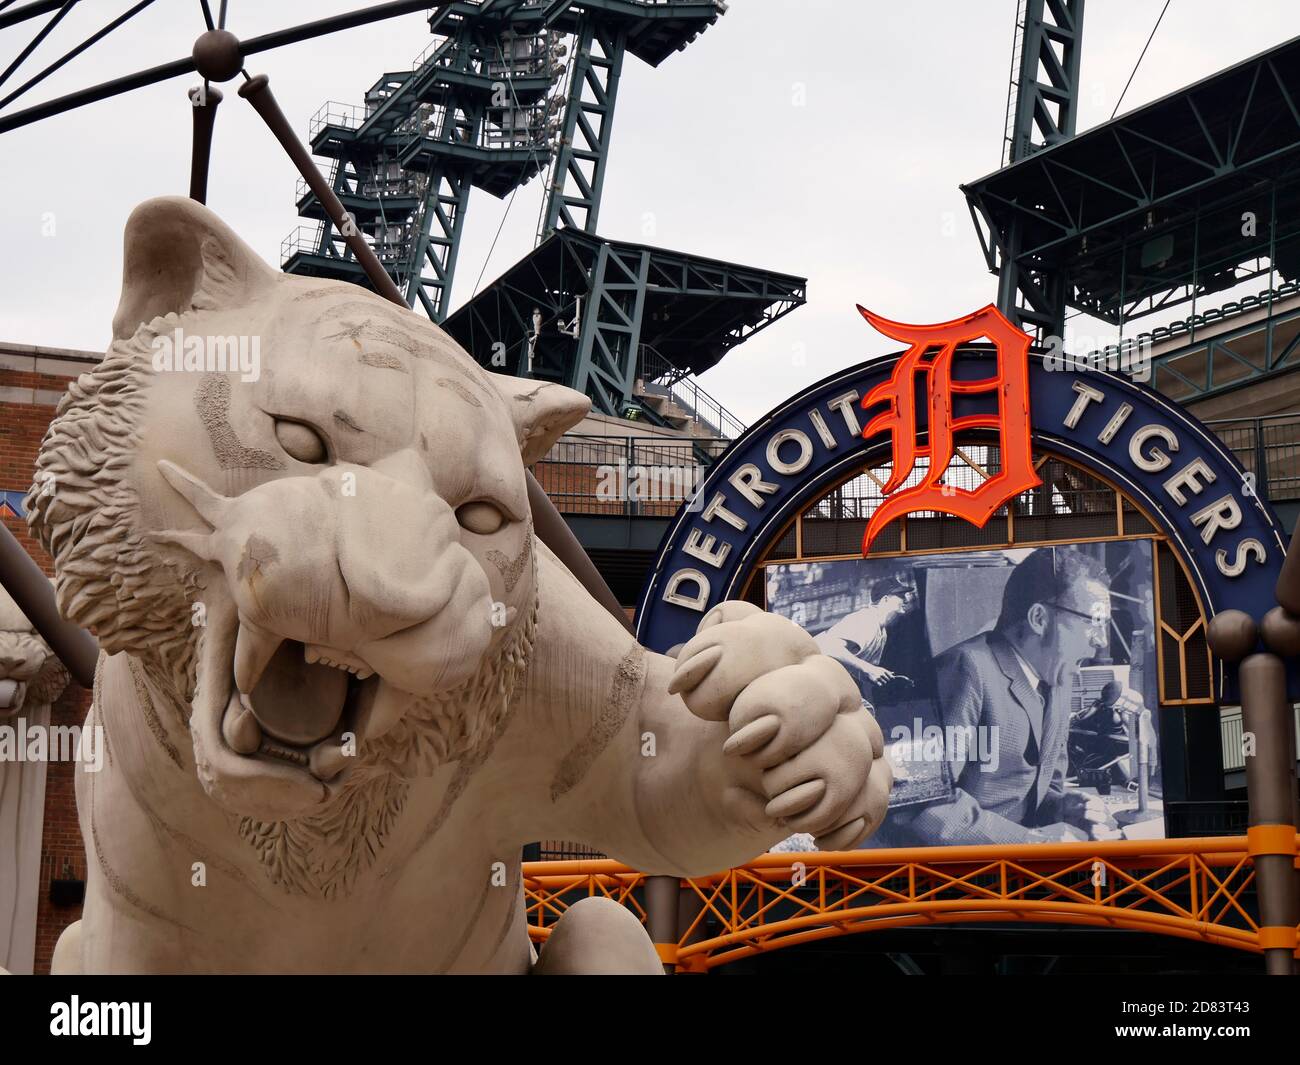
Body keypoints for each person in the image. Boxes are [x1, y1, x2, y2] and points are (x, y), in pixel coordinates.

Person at [900, 547, 1115, 845]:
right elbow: (922, 806)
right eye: (1093, 621)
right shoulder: (966, 668)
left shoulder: (1058, 680)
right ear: (1039, 618)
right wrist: (1032, 843)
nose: (1102, 640)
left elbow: (1041, 788)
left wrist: (1061, 808)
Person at [814, 576, 916, 690]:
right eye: (901, 596)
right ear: (885, 599)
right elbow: (829, 647)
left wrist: (885, 678)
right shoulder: (866, 619)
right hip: (807, 671)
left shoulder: (881, 633)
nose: (906, 600)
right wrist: (870, 669)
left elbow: (857, 670)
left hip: (821, 678)